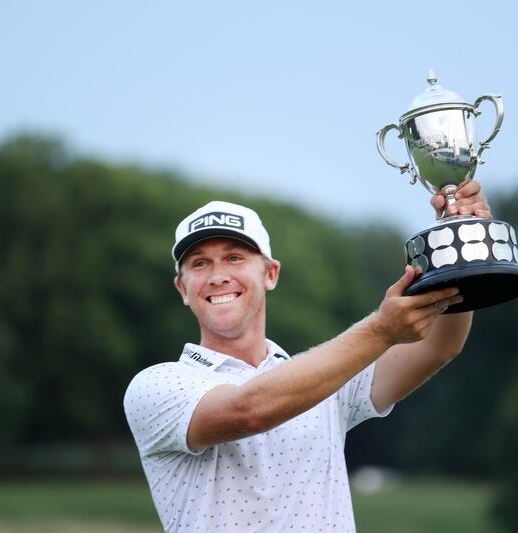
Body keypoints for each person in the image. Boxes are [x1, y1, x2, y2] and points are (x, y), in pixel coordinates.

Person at [124, 180, 491, 532]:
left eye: (234, 258)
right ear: (182, 288)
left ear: (270, 274)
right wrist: (380, 328)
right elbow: (250, 411)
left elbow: (439, 346)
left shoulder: (324, 377)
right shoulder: (157, 386)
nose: (218, 275)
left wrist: (458, 247)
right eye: (200, 264)